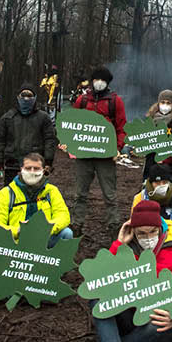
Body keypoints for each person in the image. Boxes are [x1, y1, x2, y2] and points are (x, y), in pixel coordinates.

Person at [95, 200, 172, 342]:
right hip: (129, 314)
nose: (148, 238)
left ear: (160, 229)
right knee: (98, 297)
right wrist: (118, 245)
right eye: (141, 234)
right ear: (133, 231)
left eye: (152, 232)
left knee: (156, 327)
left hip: (158, 321)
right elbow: (101, 280)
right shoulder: (127, 247)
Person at [69, 66, 128, 226]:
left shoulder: (115, 101)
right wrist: (70, 143)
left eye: (102, 80)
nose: (99, 83)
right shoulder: (82, 100)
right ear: (92, 81)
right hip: (84, 155)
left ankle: (114, 229)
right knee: (79, 194)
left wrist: (118, 148)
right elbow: (72, 124)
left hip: (106, 156)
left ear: (108, 83)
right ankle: (76, 227)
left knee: (110, 196)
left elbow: (122, 128)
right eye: (96, 79)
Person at [0, 153, 73, 247]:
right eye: (28, 168)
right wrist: (19, 230)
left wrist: (44, 228)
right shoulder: (6, 193)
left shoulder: (51, 191)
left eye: (36, 168)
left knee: (66, 233)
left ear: (43, 171)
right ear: (21, 169)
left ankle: (54, 261)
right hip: (15, 244)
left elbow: (63, 216)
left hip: (44, 238)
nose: (32, 172)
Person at [0, 83, 57, 182]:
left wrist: (48, 161)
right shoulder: (8, 118)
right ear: (18, 97)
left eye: (29, 96)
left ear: (35, 98)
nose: (26, 99)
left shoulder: (43, 118)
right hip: (12, 165)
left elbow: (49, 140)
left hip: (35, 165)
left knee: (35, 194)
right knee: (12, 194)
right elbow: (0, 140)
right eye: (23, 96)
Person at [145, 89, 172, 183]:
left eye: (168, 103)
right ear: (158, 103)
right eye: (163, 102)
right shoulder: (150, 120)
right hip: (153, 166)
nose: (165, 105)